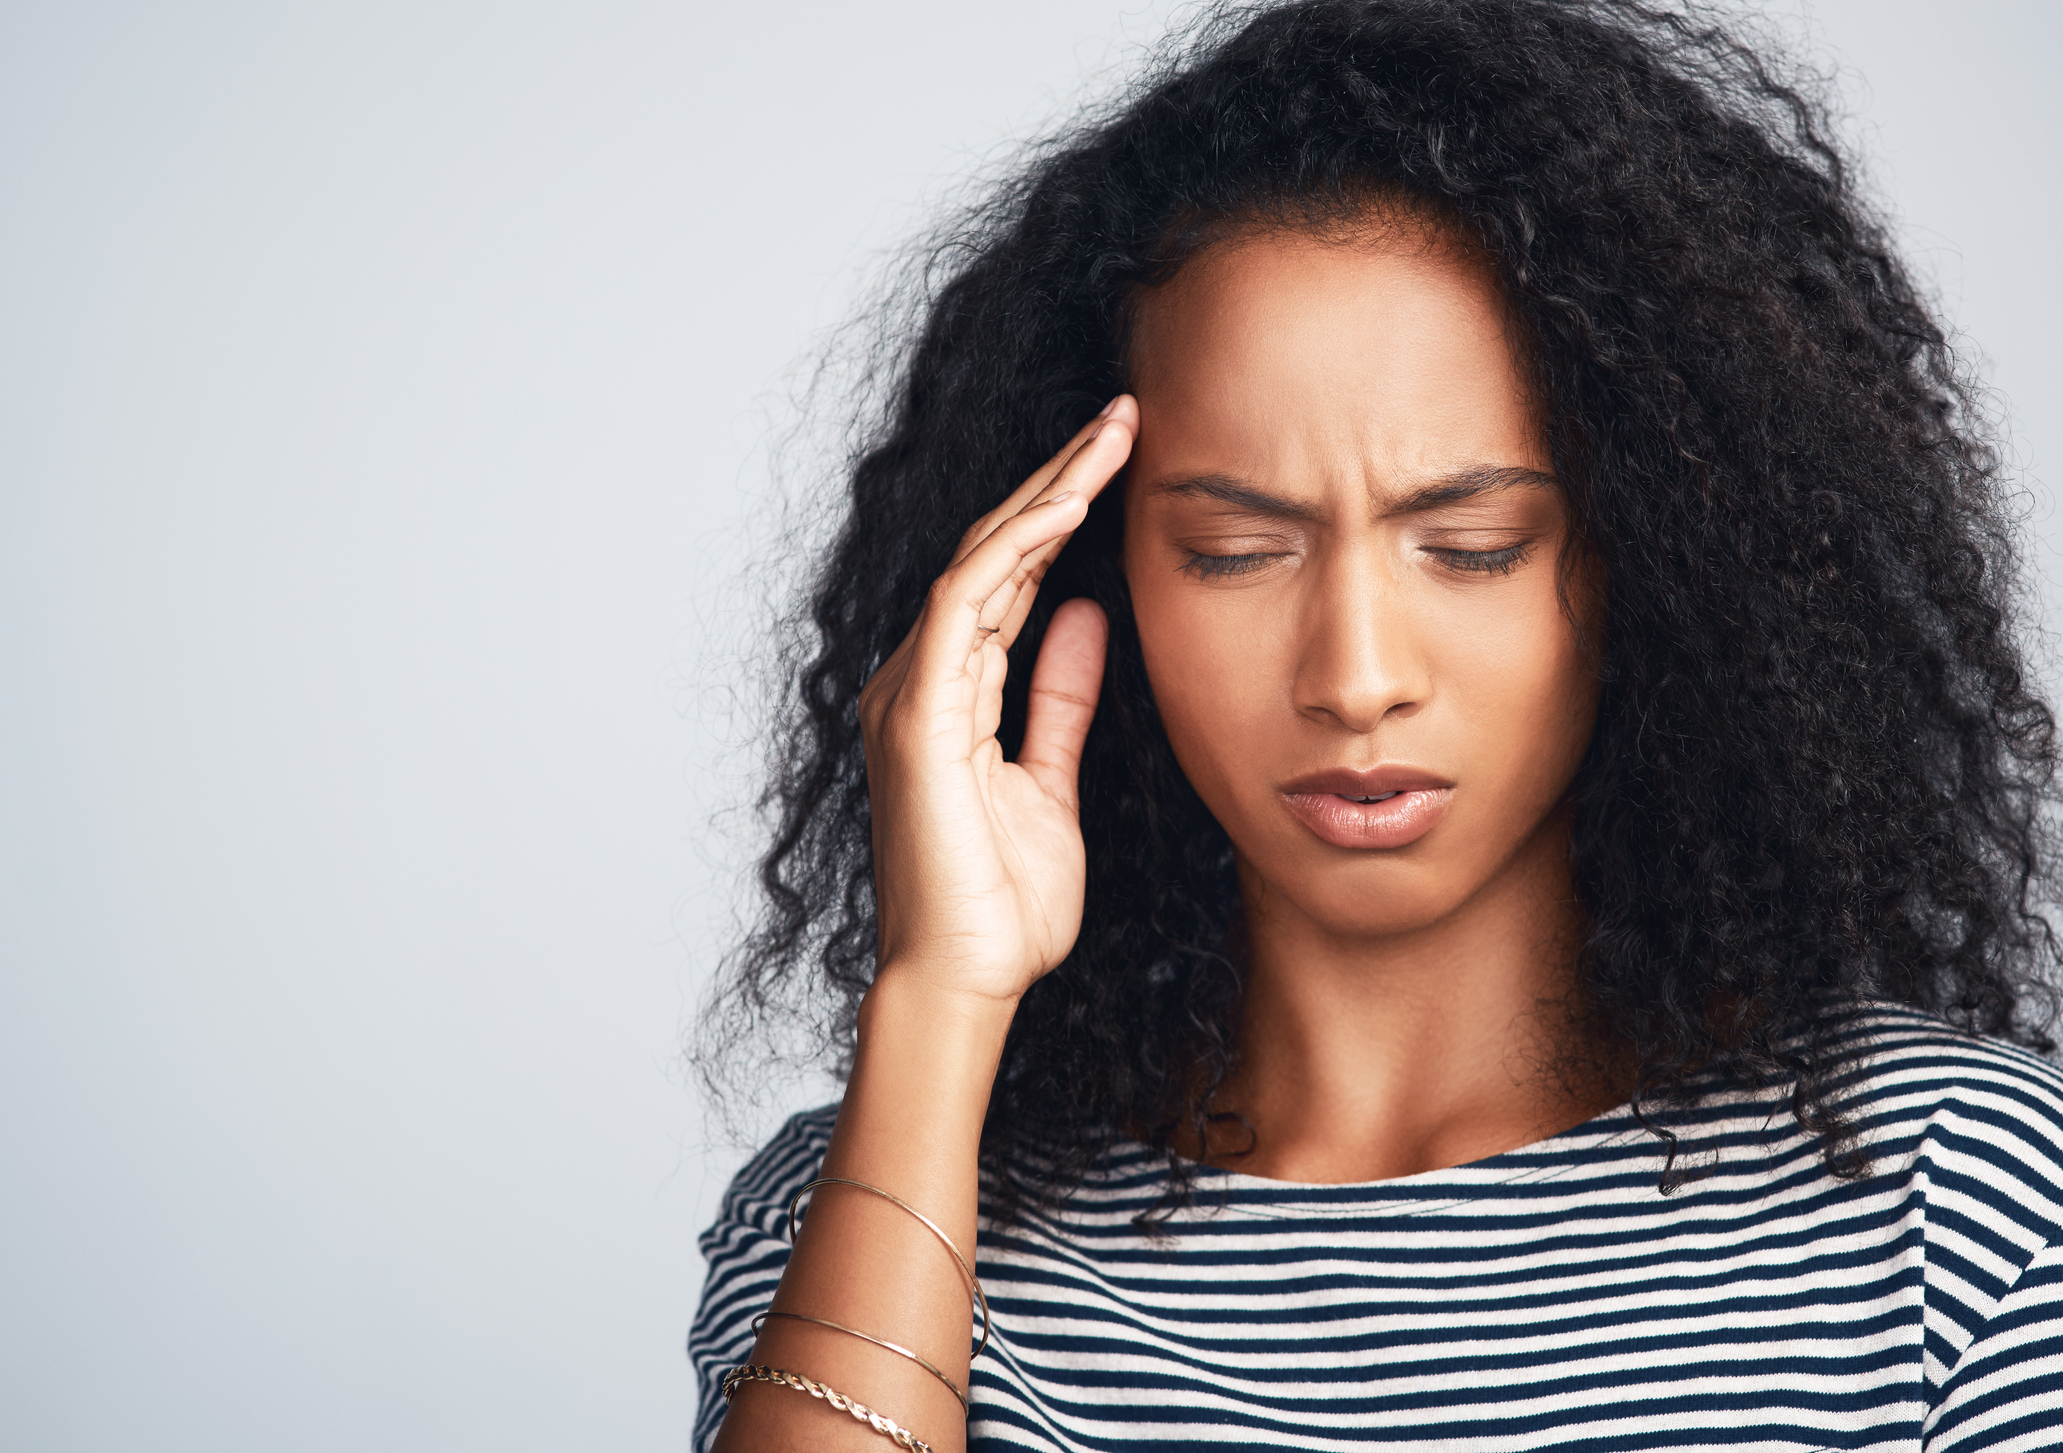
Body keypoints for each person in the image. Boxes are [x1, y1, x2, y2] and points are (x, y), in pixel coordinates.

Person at [689, 2, 2063, 1448]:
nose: (1353, 676)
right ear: (1094, 576)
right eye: (1233, 549)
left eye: (1470, 546)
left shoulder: (1966, 1214)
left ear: (1658, 557)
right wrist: (939, 998)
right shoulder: (872, 1219)